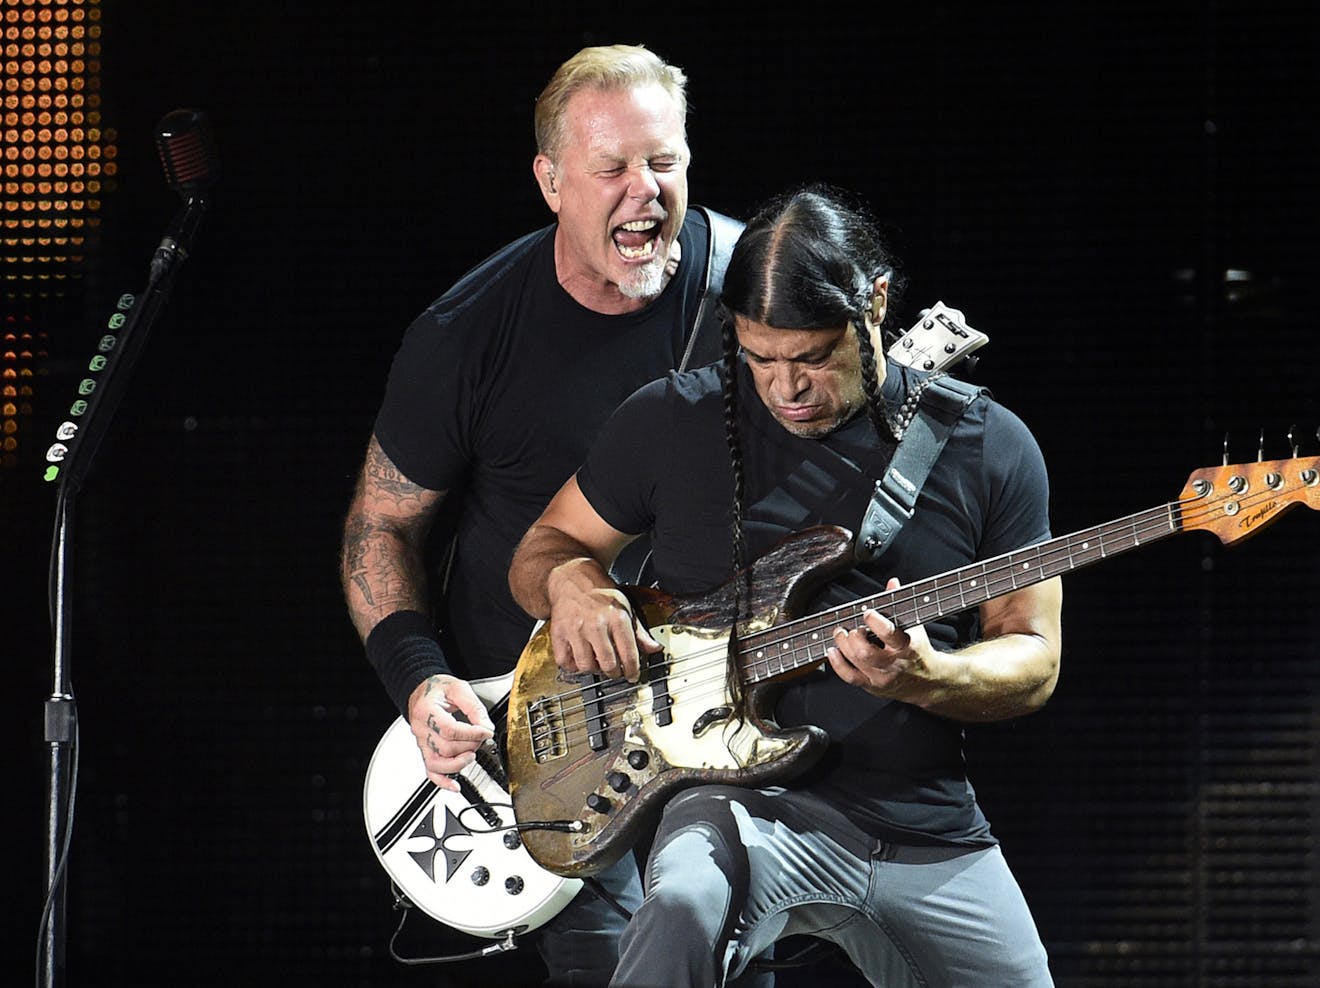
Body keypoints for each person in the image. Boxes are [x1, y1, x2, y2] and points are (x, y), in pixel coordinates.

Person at [507, 184, 1063, 987]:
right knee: (683, 904)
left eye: (811, 358)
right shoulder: (668, 421)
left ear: (874, 305)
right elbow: (545, 544)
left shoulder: (989, 445)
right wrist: (572, 583)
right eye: (758, 358)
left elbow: (1033, 658)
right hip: (735, 802)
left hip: (921, 821)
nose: (785, 388)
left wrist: (930, 676)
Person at [340, 43, 742, 986]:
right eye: (611, 170)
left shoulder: (755, 291)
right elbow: (381, 529)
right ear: (551, 181)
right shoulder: (465, 334)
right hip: (553, 739)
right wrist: (420, 681)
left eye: (665, 162)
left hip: (724, 711)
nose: (644, 191)